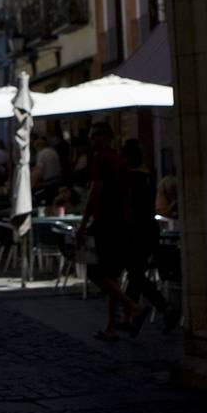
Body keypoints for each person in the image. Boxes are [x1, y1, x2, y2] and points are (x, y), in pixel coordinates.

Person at [76, 122, 148, 341]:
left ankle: (133, 307)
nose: (91, 140)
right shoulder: (121, 160)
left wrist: (84, 222)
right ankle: (110, 327)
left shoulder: (101, 158)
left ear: (105, 137)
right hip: (122, 224)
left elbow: (95, 191)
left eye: (94, 136)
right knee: (112, 275)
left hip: (106, 223)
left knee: (96, 274)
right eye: (90, 136)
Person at [120, 138, 174, 332]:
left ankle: (160, 306)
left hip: (136, 233)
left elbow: (129, 209)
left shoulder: (129, 179)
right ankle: (132, 317)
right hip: (150, 230)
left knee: (135, 274)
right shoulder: (148, 177)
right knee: (136, 275)